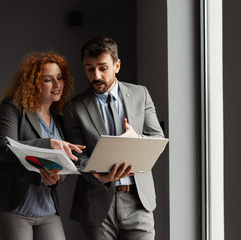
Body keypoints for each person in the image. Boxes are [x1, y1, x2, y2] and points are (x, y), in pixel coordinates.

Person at [0, 51, 85, 240]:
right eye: (48, 79)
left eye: (60, 78)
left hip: (47, 209)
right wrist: (48, 143)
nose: (57, 85)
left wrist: (57, 178)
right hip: (11, 205)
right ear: (33, 82)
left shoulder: (59, 120)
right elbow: (4, 148)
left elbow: (66, 161)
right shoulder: (12, 107)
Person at [63, 36, 165, 240]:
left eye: (103, 67)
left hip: (138, 202)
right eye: (89, 68)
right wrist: (97, 175)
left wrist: (136, 137)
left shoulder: (140, 94)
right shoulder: (74, 107)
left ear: (117, 65)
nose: (96, 75)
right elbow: (77, 155)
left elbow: (157, 138)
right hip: (96, 204)